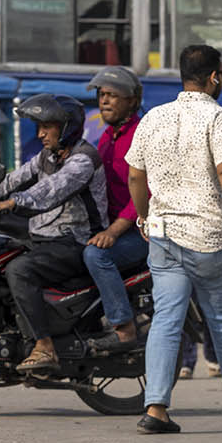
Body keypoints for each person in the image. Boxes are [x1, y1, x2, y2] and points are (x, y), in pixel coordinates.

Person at [126, 44, 222, 435]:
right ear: (213, 77)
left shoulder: (153, 118)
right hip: (209, 236)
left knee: (165, 321)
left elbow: (135, 177)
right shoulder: (218, 117)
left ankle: (155, 407)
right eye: (221, 75)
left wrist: (144, 216)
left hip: (163, 236)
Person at [0, 94, 108, 372]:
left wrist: (10, 204)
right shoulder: (46, 156)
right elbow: (8, 183)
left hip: (75, 242)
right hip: (44, 239)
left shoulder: (83, 160)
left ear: (66, 126)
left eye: (46, 127)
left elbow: (50, 191)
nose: (39, 134)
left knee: (20, 270)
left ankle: (44, 346)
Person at [82, 66, 150, 352]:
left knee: (96, 255)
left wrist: (113, 231)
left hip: (142, 232)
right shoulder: (107, 137)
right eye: (101, 95)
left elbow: (145, 193)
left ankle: (123, 327)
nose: (104, 101)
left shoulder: (142, 134)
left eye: (112, 95)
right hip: (114, 227)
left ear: (132, 101)